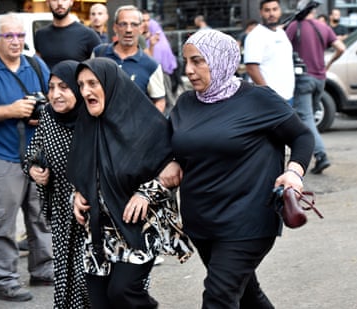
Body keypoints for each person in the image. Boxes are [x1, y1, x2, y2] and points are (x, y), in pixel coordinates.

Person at [159, 29, 314, 308]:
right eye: (186, 62)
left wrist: (294, 171)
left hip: (248, 219)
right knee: (246, 294)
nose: (189, 71)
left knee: (219, 297)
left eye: (198, 61)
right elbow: (175, 145)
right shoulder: (185, 103)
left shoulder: (258, 99)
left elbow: (302, 136)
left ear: (221, 60)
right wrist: (173, 160)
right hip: (202, 221)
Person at [67, 57, 193, 309]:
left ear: (111, 84)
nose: (85, 91)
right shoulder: (86, 123)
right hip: (99, 232)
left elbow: (173, 171)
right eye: (80, 85)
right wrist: (78, 194)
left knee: (123, 292)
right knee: (98, 301)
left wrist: (146, 193)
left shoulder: (147, 123)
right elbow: (82, 169)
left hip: (137, 228)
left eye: (92, 83)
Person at [0, 13, 54, 302]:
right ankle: (4, 281)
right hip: (1, 157)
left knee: (40, 218)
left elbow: (56, 100)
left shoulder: (36, 65)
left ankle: (43, 270)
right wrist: (11, 110)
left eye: (19, 35)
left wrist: (42, 115)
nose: (16, 41)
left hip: (37, 157)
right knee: (3, 223)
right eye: (9, 36)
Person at [22, 60, 90, 308]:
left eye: (64, 87)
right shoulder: (48, 116)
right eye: (51, 87)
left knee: (89, 277)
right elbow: (32, 152)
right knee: (66, 275)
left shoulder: (92, 116)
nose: (55, 94)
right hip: (62, 212)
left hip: (91, 214)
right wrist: (33, 170)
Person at [286, 7, 345, 174]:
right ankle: (309, 150)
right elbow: (340, 48)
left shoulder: (294, 26)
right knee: (308, 118)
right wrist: (328, 64)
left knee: (307, 119)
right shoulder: (323, 27)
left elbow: (283, 49)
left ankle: (320, 155)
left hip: (303, 78)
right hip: (320, 78)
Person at [92, 5, 166, 113]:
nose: (128, 30)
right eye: (123, 24)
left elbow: (159, 102)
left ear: (141, 29)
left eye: (134, 24)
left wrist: (147, 126)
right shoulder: (98, 53)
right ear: (115, 27)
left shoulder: (151, 66)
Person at [244, 0, 295, 104]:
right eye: (267, 10)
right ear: (261, 12)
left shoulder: (281, 33)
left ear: (280, 11)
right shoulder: (255, 35)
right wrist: (268, 95)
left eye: (274, 9)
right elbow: (251, 69)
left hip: (287, 95)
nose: (271, 14)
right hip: (269, 99)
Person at [34, 0, 101, 69]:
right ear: (48, 2)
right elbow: (37, 67)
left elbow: (101, 68)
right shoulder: (40, 35)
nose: (59, 3)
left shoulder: (88, 35)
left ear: (71, 2)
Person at [141, 12, 180, 116]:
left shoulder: (155, 43)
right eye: (143, 21)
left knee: (164, 100)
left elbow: (151, 61)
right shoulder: (155, 39)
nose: (146, 24)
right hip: (166, 75)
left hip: (161, 75)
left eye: (147, 20)